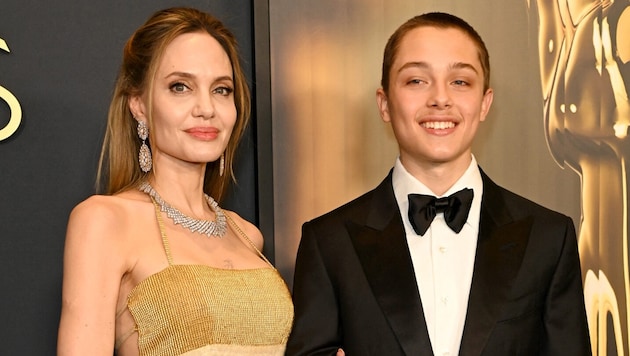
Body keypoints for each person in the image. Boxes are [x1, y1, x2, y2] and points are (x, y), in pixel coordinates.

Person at [286, 12, 591, 356]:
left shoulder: (548, 238)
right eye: (417, 81)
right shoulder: (329, 243)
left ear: (484, 103)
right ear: (384, 103)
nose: (440, 99)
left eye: (460, 82)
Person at [57, 7, 293, 356]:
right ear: (138, 104)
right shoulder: (105, 221)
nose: (206, 108)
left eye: (222, 90)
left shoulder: (247, 234)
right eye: (180, 87)